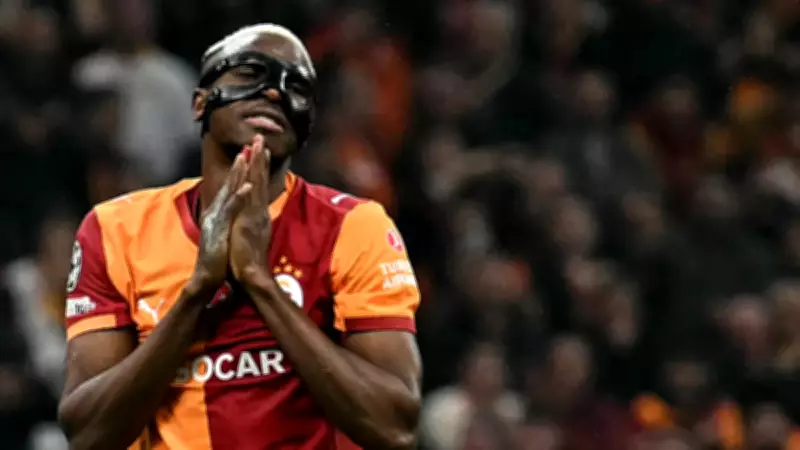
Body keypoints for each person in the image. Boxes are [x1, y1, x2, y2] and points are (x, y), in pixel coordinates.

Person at [57, 24, 422, 450]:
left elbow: (394, 429)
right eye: (250, 73)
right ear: (200, 102)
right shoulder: (116, 230)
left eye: (296, 88)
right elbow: (88, 435)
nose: (275, 93)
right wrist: (199, 290)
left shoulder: (354, 227)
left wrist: (260, 282)